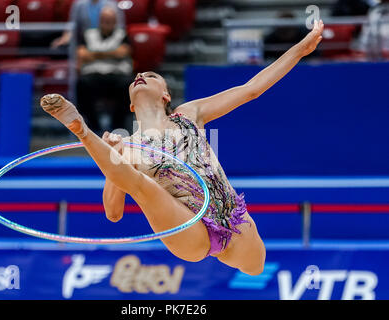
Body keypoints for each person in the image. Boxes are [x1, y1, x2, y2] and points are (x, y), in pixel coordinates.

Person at [40, 20, 324, 274]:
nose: (141, 77)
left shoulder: (189, 114)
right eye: (136, 78)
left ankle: (87, 135)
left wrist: (299, 50)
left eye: (150, 76)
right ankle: (82, 130)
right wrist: (115, 156)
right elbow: (113, 213)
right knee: (141, 185)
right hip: (186, 228)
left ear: (165, 94)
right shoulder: (126, 144)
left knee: (256, 268)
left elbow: (251, 89)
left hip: (232, 218)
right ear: (130, 103)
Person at [75, 5, 133, 134]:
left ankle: (118, 126)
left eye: (110, 20)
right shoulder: (88, 34)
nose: (107, 23)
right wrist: (111, 53)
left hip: (117, 75)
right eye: (104, 20)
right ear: (99, 20)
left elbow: (122, 53)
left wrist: (94, 54)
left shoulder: (123, 34)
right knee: (81, 84)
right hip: (93, 75)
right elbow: (82, 55)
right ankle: (93, 126)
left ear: (115, 21)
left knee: (128, 85)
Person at [51, 0, 124, 49]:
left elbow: (119, 27)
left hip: (109, 41)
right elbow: (72, 26)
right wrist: (64, 38)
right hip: (85, 42)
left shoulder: (112, 4)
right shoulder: (79, 4)